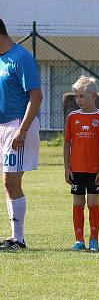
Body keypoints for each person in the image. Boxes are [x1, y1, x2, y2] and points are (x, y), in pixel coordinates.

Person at [0, 18, 42, 250]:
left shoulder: (21, 57)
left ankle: (18, 239)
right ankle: (14, 238)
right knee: (8, 183)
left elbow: (36, 96)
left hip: (18, 125)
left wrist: (22, 130)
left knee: (11, 180)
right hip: (2, 126)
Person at [64, 76, 99, 252]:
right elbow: (67, 143)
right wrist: (67, 167)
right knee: (77, 204)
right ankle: (79, 240)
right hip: (76, 169)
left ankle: (94, 240)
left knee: (92, 203)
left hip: (94, 170)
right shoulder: (72, 117)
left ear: (94, 96)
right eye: (76, 96)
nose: (78, 100)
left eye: (82, 96)